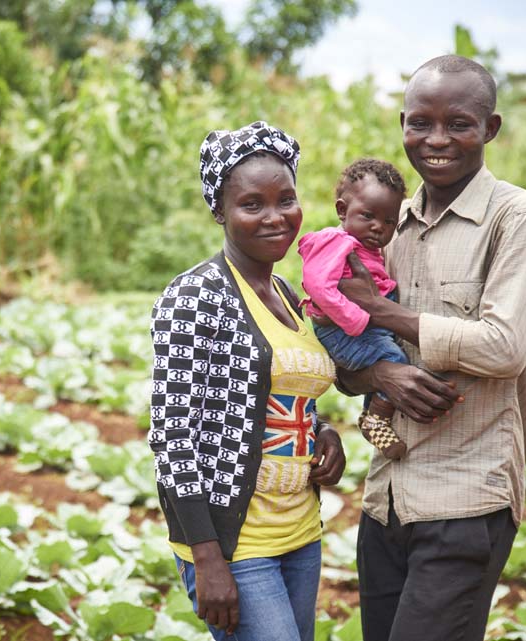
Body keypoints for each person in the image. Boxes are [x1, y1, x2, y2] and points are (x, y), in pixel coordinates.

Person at [333, 55, 526, 641]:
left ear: (489, 128)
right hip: (385, 500)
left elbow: (504, 347)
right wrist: (382, 378)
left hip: (466, 501)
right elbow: (348, 359)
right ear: (404, 125)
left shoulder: (519, 219)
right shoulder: (387, 223)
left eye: (458, 124)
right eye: (420, 123)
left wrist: (381, 310)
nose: (436, 140)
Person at [148, 120, 347, 641]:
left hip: (301, 531)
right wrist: (207, 559)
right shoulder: (195, 297)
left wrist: (322, 434)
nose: (275, 217)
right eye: (252, 204)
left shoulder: (288, 292)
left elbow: (282, 392)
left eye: (286, 200)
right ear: (219, 211)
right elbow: (173, 436)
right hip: (236, 546)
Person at [298, 159, 410, 460]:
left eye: (389, 222)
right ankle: (375, 419)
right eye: (368, 216)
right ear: (341, 210)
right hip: (341, 330)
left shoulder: (363, 245)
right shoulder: (336, 241)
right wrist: (357, 318)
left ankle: (374, 414)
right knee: (395, 360)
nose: (378, 227)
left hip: (356, 326)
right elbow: (318, 285)